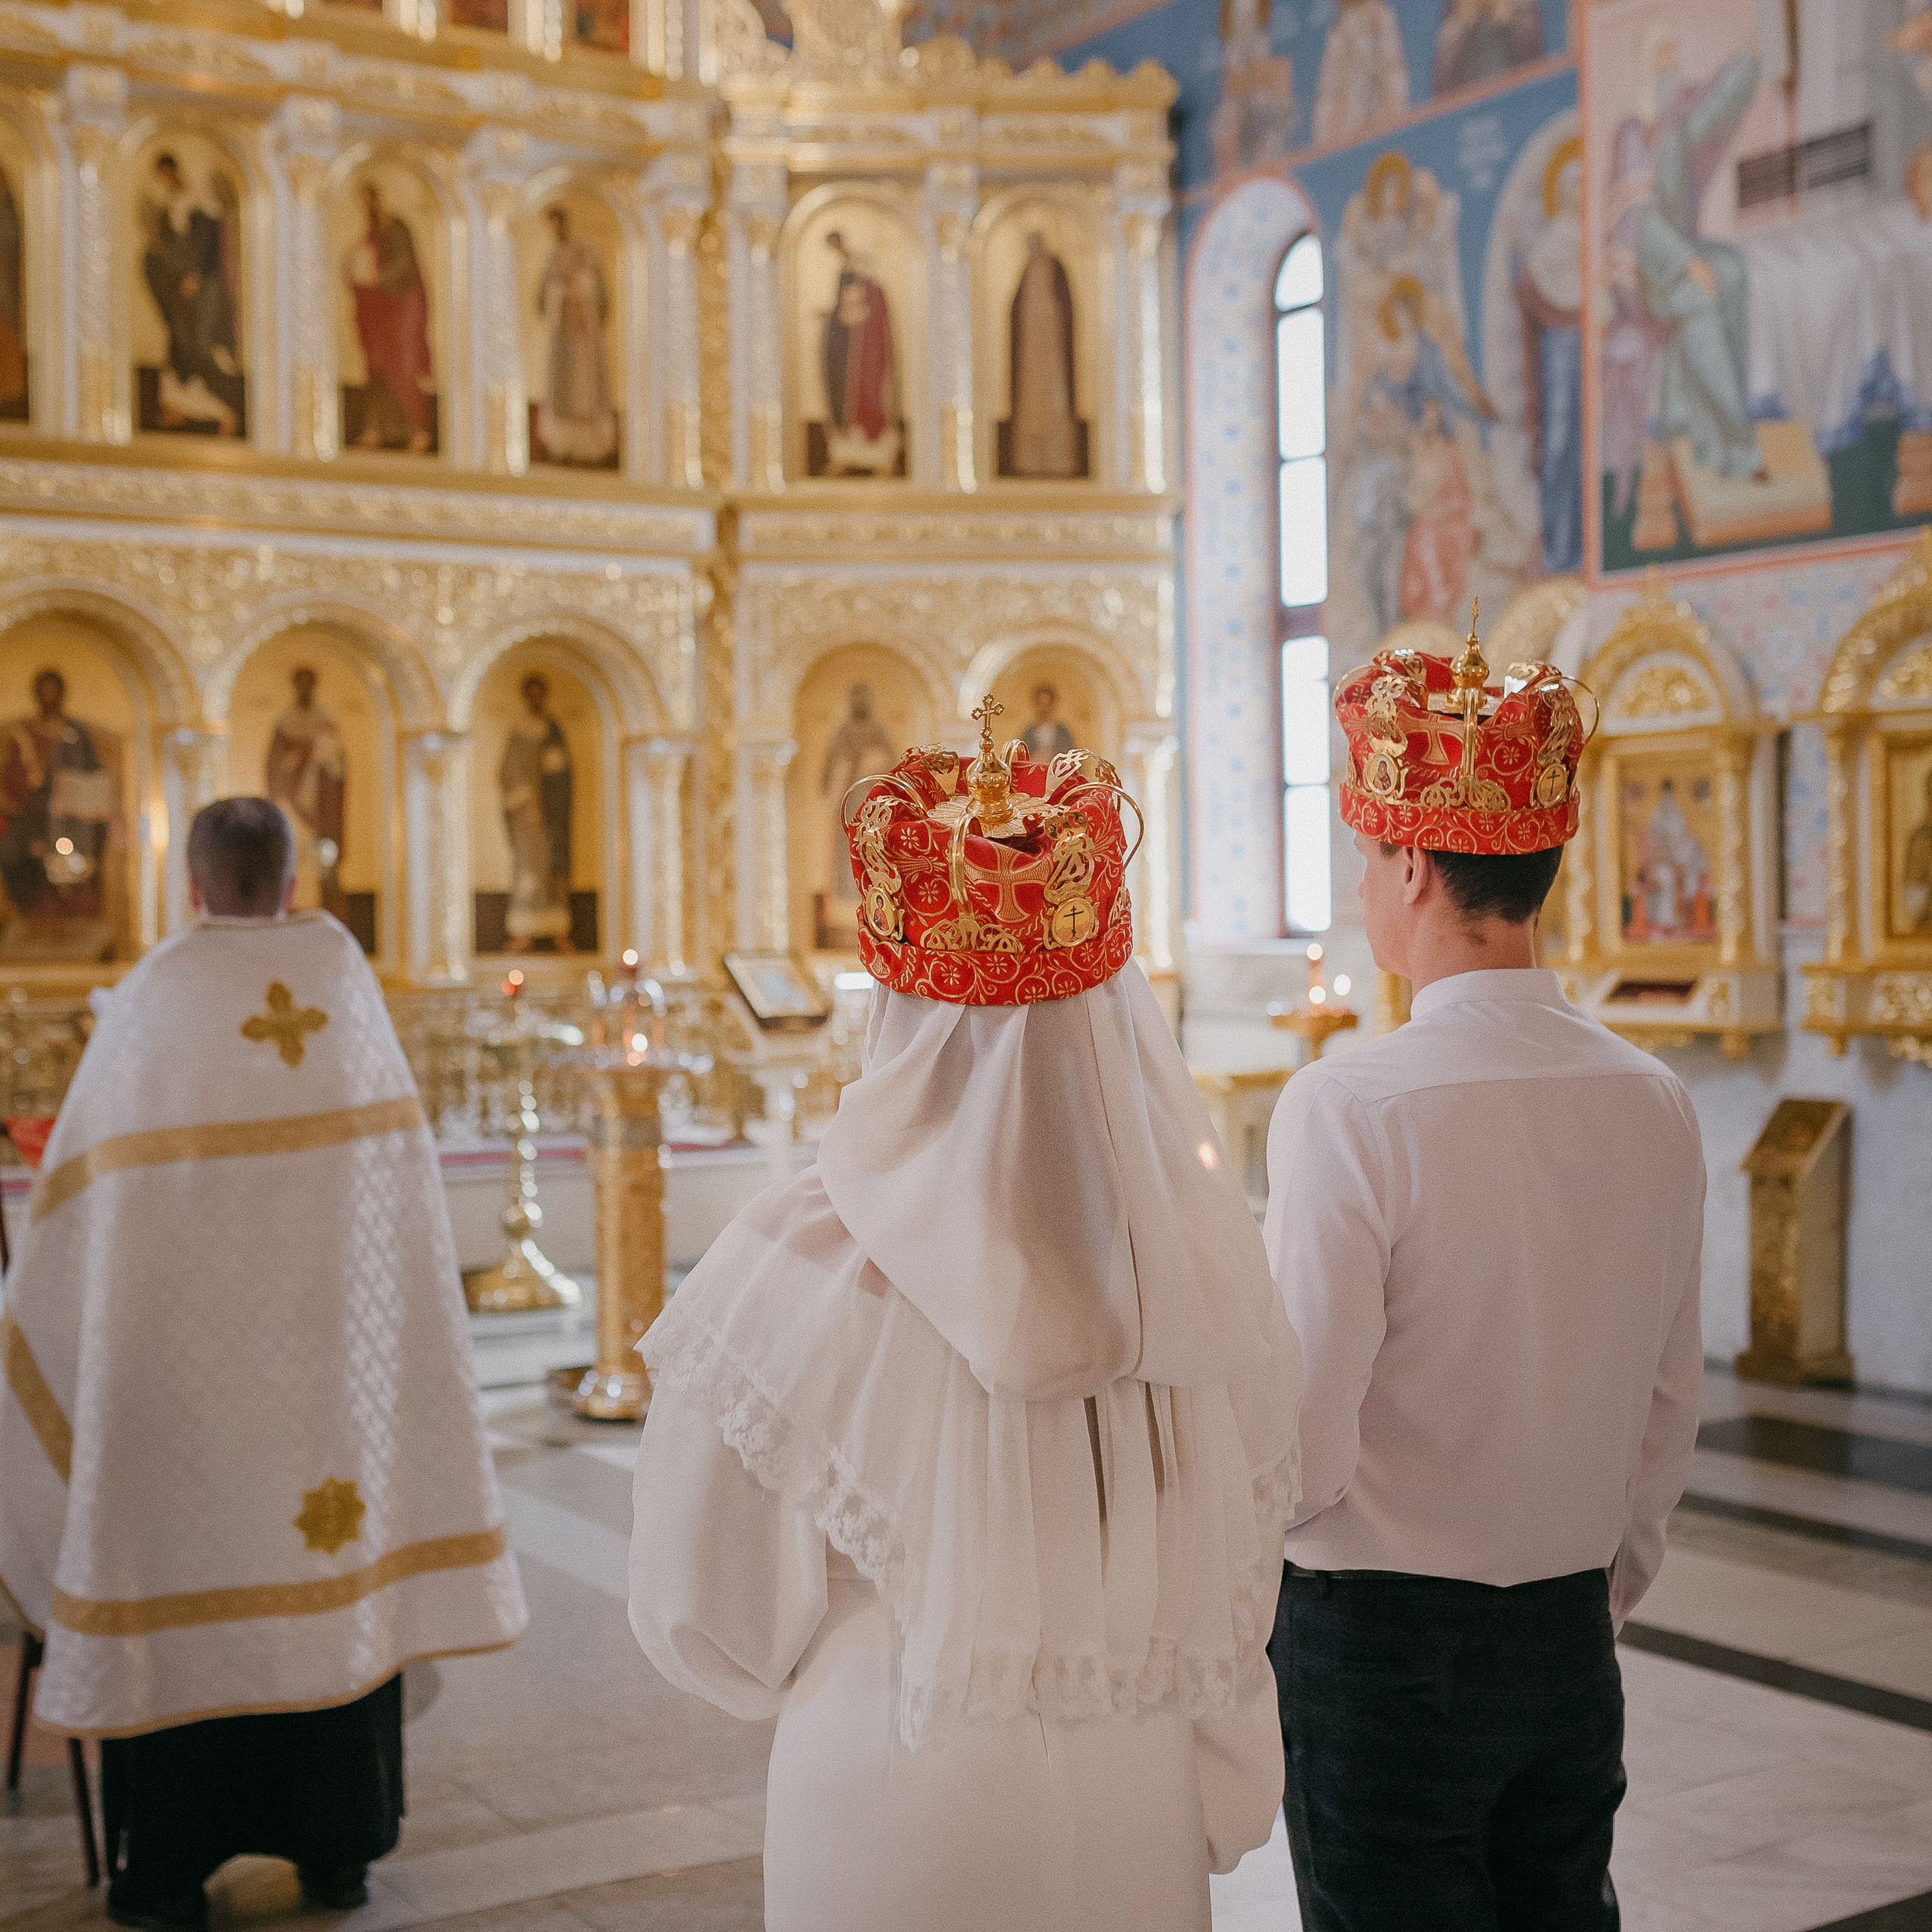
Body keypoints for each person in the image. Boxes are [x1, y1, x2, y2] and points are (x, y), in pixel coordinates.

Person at [629, 706, 1302, 1932]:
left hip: (888, 1789)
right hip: (1134, 1801)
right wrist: (1219, 1780)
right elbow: (1240, 1575)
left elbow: (705, 1609)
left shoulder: (791, 1259)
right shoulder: (1199, 1266)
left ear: (899, 1010)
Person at [0, 798, 526, 1931]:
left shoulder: (151, 1003)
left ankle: (166, 1873)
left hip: (176, 1411)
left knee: (179, 1576)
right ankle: (337, 1854)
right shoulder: (345, 995)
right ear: (292, 878)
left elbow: (72, 1217)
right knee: (326, 1586)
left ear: (194, 883)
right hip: (333, 1397)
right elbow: (406, 1218)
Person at [1264, 626, 1706, 1931]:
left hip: (1382, 1648)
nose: (1364, 882)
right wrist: (1591, 1590)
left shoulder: (1350, 1103)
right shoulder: (1654, 1098)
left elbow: (1300, 1446)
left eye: (1365, 854)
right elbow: (1668, 1401)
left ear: (1410, 863)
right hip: (1569, 1637)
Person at [140, 152, 240, 436]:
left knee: (194, 345)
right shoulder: (168, 205)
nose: (164, 180)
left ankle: (225, 409)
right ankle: (177, 406)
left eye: (166, 174)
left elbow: (205, 242)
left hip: (196, 284)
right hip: (175, 284)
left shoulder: (199, 203)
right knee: (177, 344)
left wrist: (193, 275)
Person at [344, 179, 435, 454]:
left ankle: (419, 430)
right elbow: (357, 264)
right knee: (375, 369)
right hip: (377, 310)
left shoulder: (395, 228)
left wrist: (376, 278)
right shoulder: (370, 234)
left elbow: (404, 267)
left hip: (399, 310)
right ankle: (376, 429)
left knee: (401, 368)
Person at [535, 204, 616, 466]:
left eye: (556, 224)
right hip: (563, 337)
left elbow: (600, 296)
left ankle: (591, 448)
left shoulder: (585, 253)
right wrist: (559, 294)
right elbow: (542, 298)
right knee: (562, 388)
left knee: (587, 386)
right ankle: (562, 445)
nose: (554, 231)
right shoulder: (554, 256)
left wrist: (579, 293)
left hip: (585, 335)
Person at [265, 665, 348, 921]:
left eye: (308, 683)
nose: (304, 689)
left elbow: (337, 765)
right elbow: (276, 762)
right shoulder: (286, 720)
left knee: (324, 864)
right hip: (294, 802)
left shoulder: (324, 719)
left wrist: (322, 754)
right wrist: (301, 753)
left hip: (319, 804)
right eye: (300, 683)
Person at [499, 672, 574, 952]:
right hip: (527, 814)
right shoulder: (519, 730)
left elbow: (564, 769)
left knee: (555, 870)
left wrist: (551, 791)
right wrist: (527, 798)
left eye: (539, 693)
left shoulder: (552, 728)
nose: (535, 699)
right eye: (530, 693)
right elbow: (508, 771)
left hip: (554, 814)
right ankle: (524, 933)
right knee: (529, 870)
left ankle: (559, 932)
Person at [1006, 232, 1081, 478]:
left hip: (1052, 353)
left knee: (1054, 399)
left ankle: (1058, 460)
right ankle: (1027, 461)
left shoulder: (1056, 271)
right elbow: (1016, 314)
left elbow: (1064, 310)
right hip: (1030, 355)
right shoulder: (1026, 273)